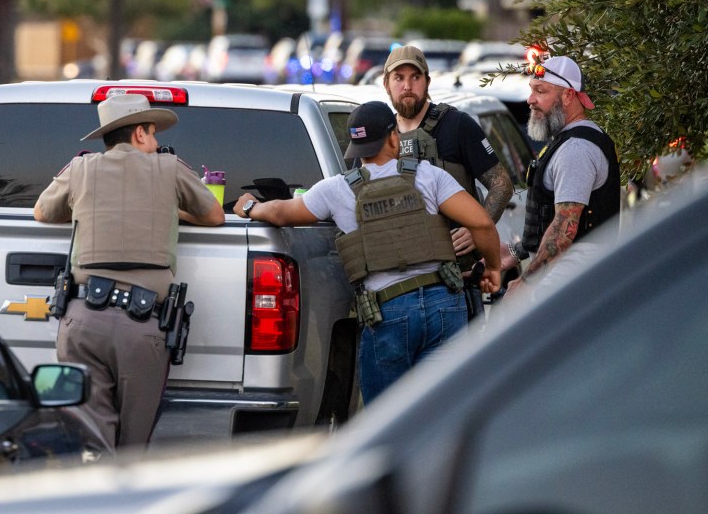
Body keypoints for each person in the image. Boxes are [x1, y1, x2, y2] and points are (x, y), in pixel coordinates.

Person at [233, 101, 501, 403]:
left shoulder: (335, 190)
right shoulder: (428, 175)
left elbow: (281, 212)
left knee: (386, 417)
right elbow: (481, 223)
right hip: (444, 304)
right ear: (393, 138)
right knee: (444, 411)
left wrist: (250, 207)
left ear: (355, 148)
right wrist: (493, 268)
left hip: (388, 310)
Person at [33, 94, 224, 451]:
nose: (155, 144)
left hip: (81, 323)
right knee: (132, 449)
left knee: (92, 441)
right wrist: (172, 211)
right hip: (143, 326)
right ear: (139, 134)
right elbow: (214, 215)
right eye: (152, 135)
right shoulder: (169, 168)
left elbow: (42, 212)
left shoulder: (80, 169)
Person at [382, 45, 514, 314]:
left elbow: (502, 184)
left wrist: (478, 229)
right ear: (387, 85)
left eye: (415, 77)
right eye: (399, 78)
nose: (407, 85)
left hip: (455, 286)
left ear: (427, 82)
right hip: (400, 288)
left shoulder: (457, 125)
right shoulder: (380, 133)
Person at [508, 55, 620, 292]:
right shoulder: (567, 141)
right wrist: (515, 252)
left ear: (568, 96)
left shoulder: (576, 149)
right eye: (531, 90)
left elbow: (562, 230)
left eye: (541, 91)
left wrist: (526, 283)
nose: (530, 100)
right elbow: (547, 217)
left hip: (572, 282)